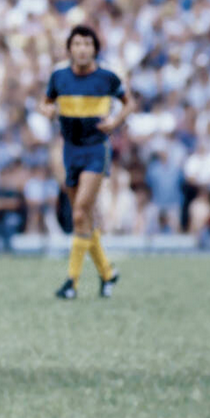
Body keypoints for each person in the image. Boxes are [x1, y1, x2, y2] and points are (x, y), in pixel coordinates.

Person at [40, 25, 134, 299]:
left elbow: (129, 103)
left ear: (95, 49)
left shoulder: (107, 77)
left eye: (87, 44)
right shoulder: (59, 76)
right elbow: (45, 102)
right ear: (69, 49)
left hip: (95, 149)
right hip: (70, 149)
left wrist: (115, 122)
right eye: (77, 44)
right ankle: (107, 272)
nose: (82, 49)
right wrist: (48, 110)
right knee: (84, 218)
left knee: (80, 212)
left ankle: (72, 282)